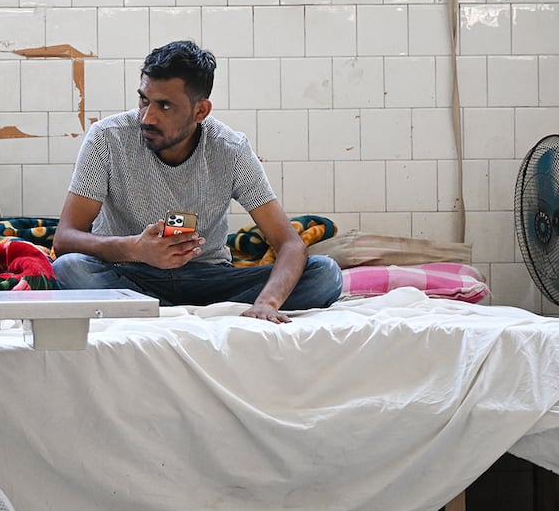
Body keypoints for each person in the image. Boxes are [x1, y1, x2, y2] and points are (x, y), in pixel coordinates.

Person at [52, 40, 342, 322]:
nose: (148, 117)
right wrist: (135, 248)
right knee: (69, 268)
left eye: (165, 106)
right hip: (129, 273)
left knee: (325, 274)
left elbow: (289, 243)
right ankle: (185, 311)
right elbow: (65, 239)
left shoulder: (230, 149)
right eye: (144, 99)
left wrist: (267, 302)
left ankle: (160, 311)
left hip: (208, 278)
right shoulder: (107, 137)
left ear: (200, 110)